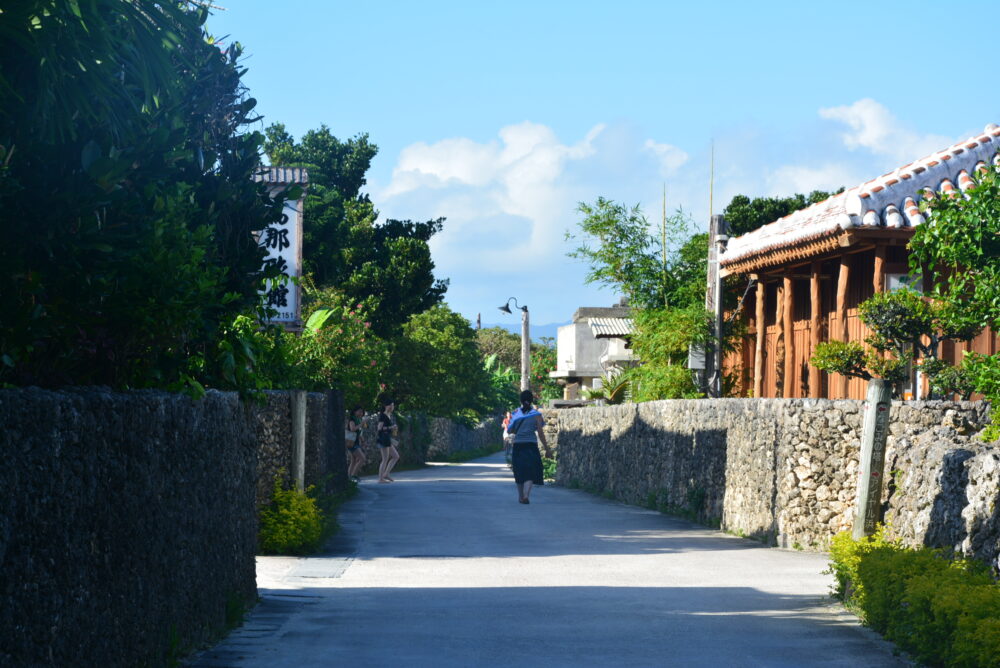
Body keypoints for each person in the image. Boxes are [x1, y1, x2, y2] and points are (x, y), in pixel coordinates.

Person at [505, 390, 552, 504]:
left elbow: (510, 430)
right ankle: (526, 495)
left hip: (518, 446)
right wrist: (546, 448)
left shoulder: (516, 413)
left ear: (521, 400)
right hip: (531, 446)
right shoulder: (537, 415)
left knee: (519, 471)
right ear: (532, 400)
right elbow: (540, 433)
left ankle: (521, 497)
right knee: (530, 472)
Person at [376, 397, 400, 483]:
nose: (392, 407)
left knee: (396, 456)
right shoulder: (383, 415)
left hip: (387, 438)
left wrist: (392, 429)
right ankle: (380, 479)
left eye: (393, 405)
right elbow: (379, 428)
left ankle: (385, 474)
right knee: (385, 459)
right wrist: (391, 427)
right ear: (387, 406)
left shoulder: (389, 415)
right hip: (383, 439)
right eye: (391, 405)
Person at [345, 405, 366, 481]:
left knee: (353, 460)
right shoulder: (352, 420)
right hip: (352, 443)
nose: (361, 413)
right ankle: (354, 475)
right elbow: (352, 429)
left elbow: (358, 433)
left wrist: (362, 441)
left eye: (362, 411)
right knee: (362, 458)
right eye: (359, 411)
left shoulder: (358, 420)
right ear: (354, 412)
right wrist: (361, 424)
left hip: (355, 442)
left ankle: (348, 477)